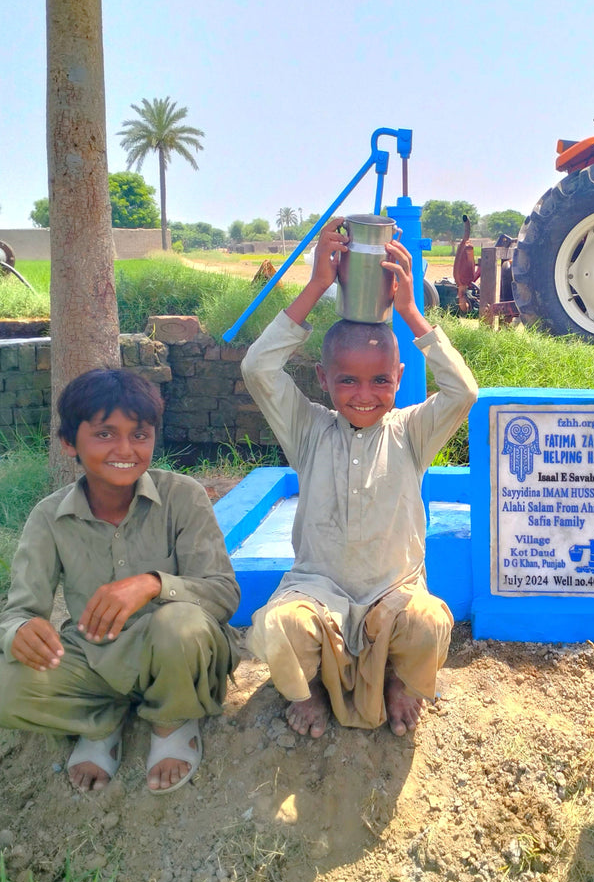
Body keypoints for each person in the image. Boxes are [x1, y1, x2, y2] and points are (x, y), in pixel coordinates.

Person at [240, 223, 478, 739]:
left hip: (390, 592)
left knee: (429, 622)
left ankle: (401, 685)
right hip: (316, 590)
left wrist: (413, 314)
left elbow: (462, 392)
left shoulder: (412, 432)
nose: (364, 394)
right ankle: (311, 694)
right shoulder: (308, 430)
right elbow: (258, 368)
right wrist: (316, 286)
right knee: (277, 625)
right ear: (324, 380)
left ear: (398, 378)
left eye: (380, 380)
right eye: (347, 379)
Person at [0, 369, 240, 793]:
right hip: (95, 661)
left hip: (177, 657)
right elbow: (19, 610)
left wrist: (151, 583)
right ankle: (101, 720)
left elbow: (223, 593)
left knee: (179, 625)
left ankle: (171, 719)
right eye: (105, 434)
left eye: (140, 434)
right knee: (6, 686)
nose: (125, 450)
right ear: (69, 443)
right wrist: (21, 631)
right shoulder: (48, 517)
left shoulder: (183, 497)